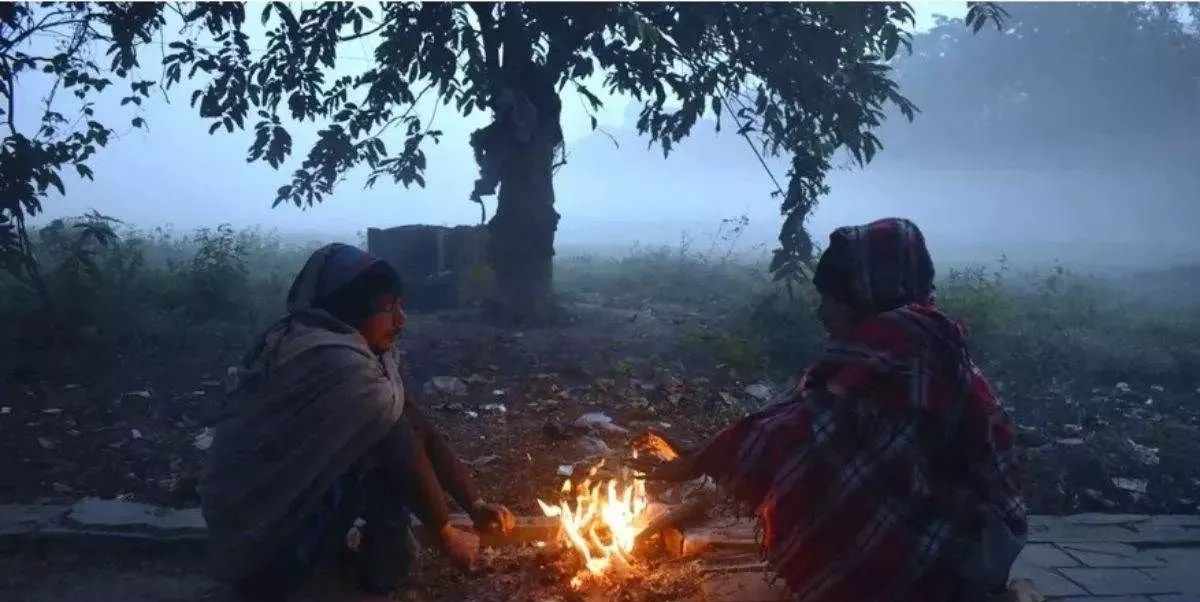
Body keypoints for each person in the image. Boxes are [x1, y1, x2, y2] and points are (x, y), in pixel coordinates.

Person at [633, 218, 1027, 602]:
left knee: (828, 479)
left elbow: (800, 432)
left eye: (831, 301)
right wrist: (710, 452)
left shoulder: (901, 355)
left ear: (867, 297)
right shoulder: (919, 338)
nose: (821, 313)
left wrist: (704, 460)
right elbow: (807, 415)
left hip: (954, 550)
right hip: (980, 536)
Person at [202, 243, 516, 602]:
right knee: (387, 466)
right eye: (387, 308)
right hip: (260, 555)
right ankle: (372, 581)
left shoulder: (345, 348)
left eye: (400, 305)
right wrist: (446, 535)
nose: (401, 320)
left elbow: (416, 423)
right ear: (351, 310)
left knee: (385, 446)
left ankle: (340, 564)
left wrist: (473, 505)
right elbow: (401, 447)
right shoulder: (332, 362)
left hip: (263, 537)